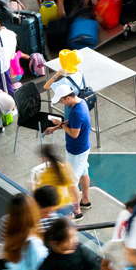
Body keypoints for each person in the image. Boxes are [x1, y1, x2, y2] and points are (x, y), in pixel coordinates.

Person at [48, 82, 92, 210]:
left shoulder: (77, 112)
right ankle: (85, 200)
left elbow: (74, 133)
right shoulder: (80, 103)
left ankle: (77, 211)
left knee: (72, 181)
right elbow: (71, 122)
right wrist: (56, 127)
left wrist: (60, 124)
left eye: (61, 101)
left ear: (68, 97)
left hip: (76, 151)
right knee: (84, 172)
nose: (61, 103)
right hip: (82, 147)